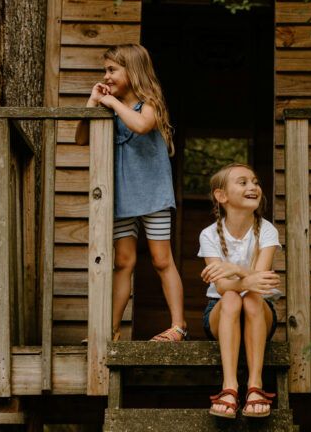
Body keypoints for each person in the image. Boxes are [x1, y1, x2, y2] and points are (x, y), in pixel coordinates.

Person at [75, 44, 186, 342]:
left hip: (153, 196)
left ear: (133, 71)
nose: (106, 76)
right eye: (105, 70)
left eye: (112, 70)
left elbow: (140, 125)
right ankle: (111, 330)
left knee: (162, 260)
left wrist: (112, 104)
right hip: (121, 198)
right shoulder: (109, 107)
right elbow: (81, 138)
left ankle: (178, 326)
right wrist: (93, 101)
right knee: (123, 262)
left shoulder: (149, 103)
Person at [198, 163, 283, 419]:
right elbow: (222, 288)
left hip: (259, 312)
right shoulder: (209, 234)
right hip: (221, 311)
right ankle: (230, 386)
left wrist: (233, 268)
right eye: (243, 182)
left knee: (253, 299)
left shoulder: (267, 230)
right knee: (234, 298)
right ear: (221, 196)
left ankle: (255, 385)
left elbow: (264, 281)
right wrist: (246, 280)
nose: (253, 187)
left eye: (255, 182)